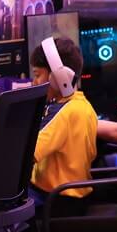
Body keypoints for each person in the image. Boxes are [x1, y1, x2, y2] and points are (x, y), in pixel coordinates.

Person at [27, 34, 97, 207]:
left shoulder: (65, 112)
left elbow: (28, 152)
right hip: (76, 198)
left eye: (37, 75)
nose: (33, 82)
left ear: (59, 77)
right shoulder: (84, 105)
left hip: (57, 200)